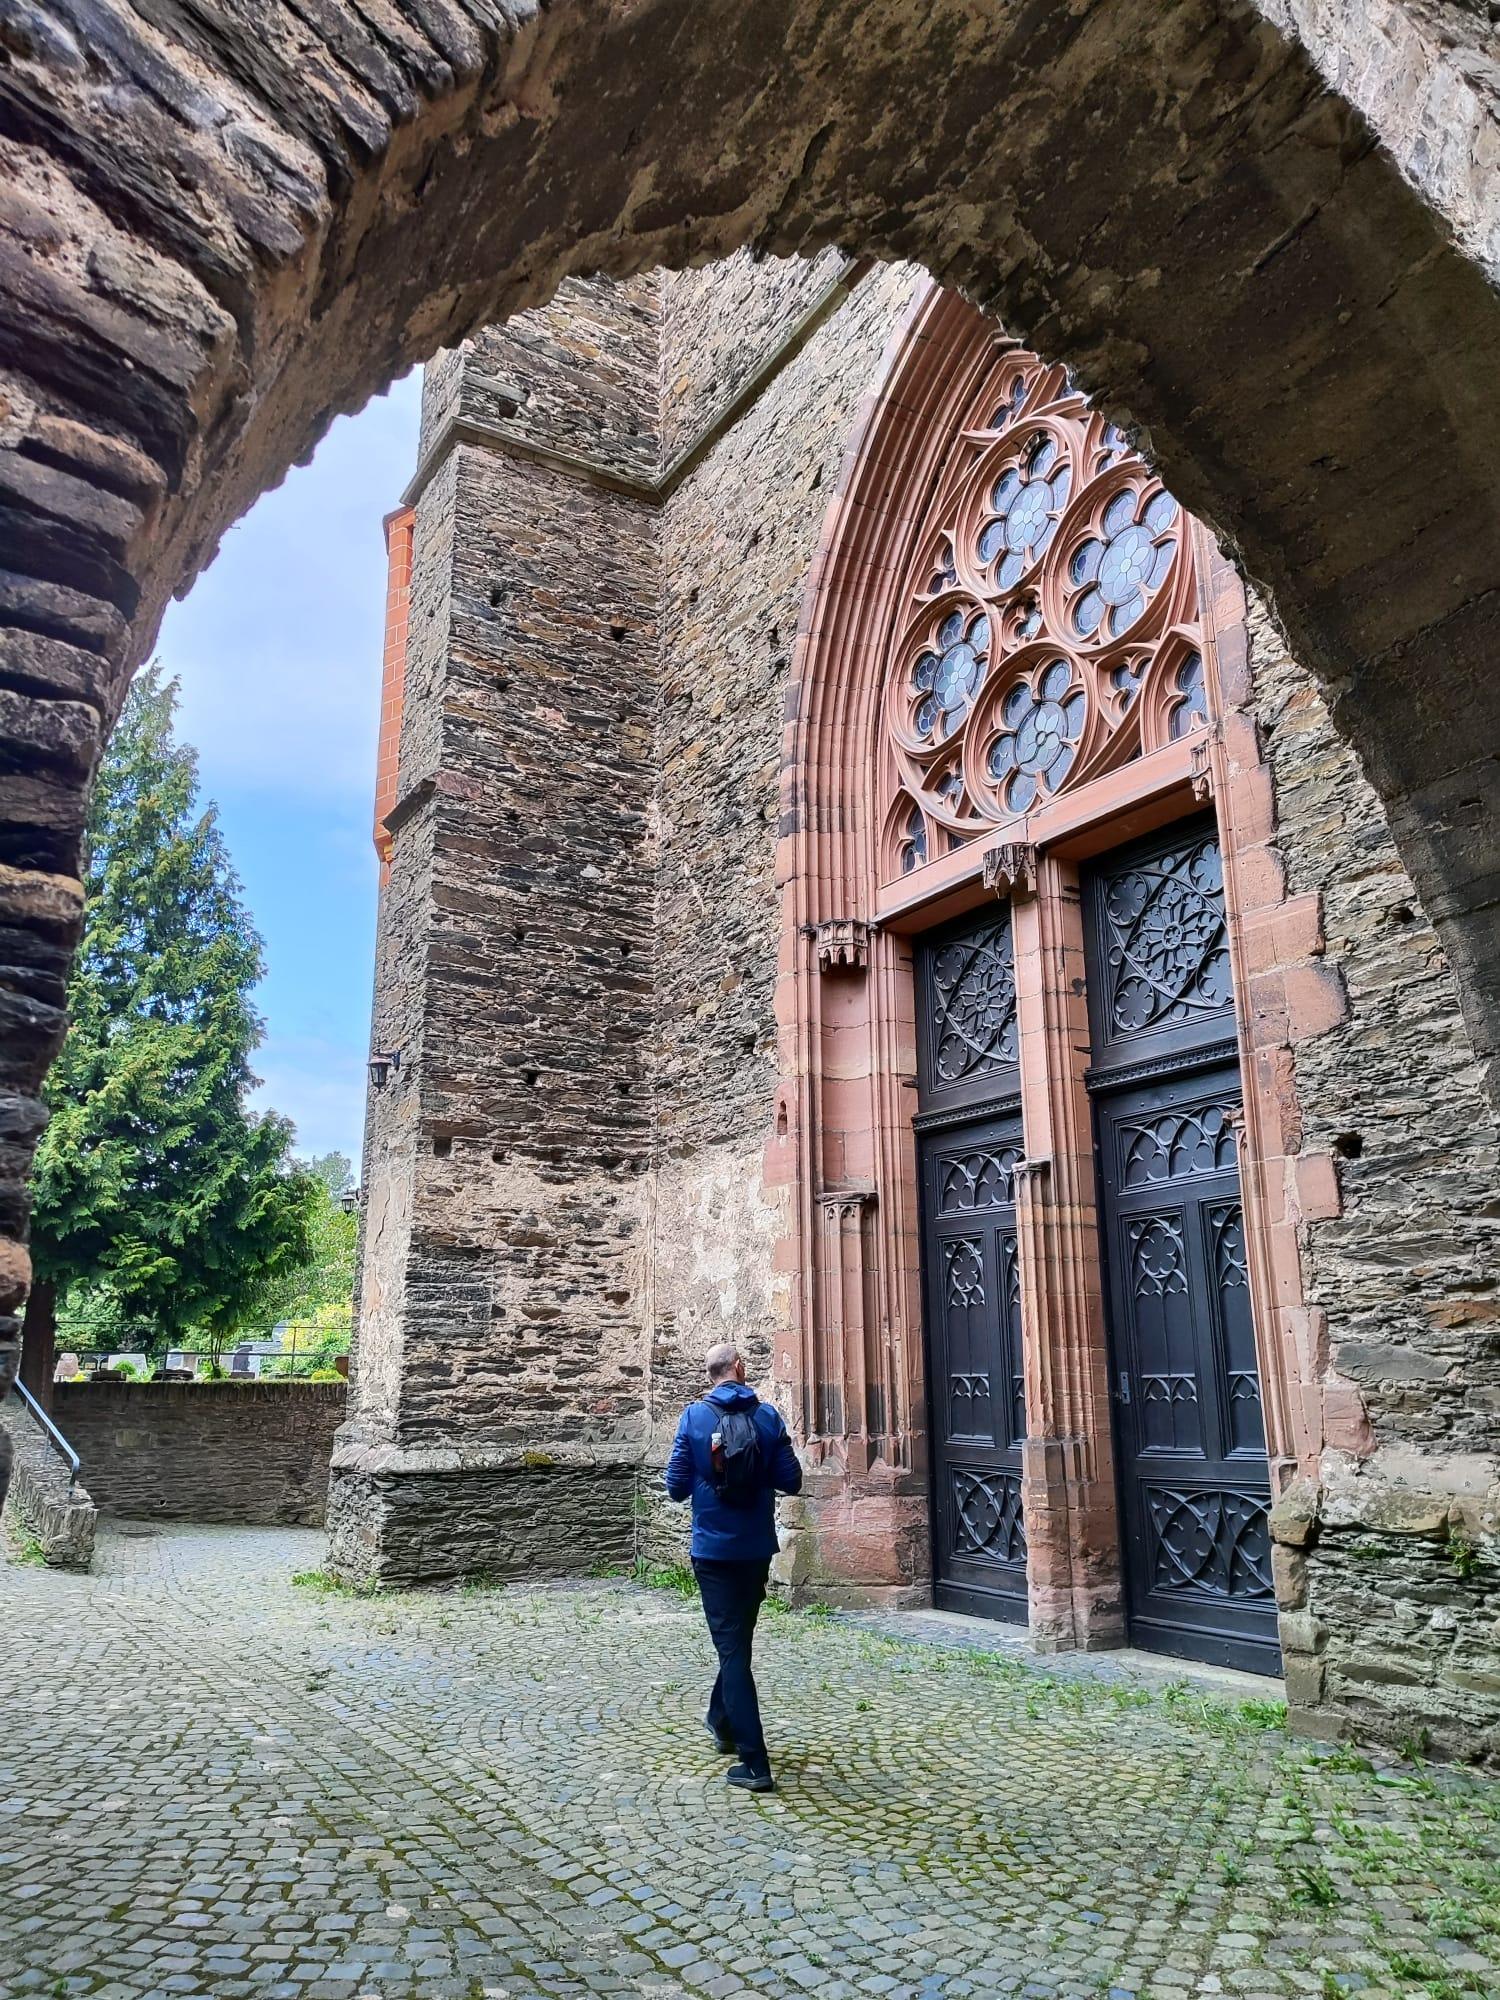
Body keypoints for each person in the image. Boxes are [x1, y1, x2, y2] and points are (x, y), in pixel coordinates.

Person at [664, 1341, 802, 1792]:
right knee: (736, 1643)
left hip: (713, 1552)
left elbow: (675, 1488)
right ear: (739, 1368)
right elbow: (791, 1480)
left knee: (733, 1651)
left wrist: (708, 1473)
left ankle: (754, 1763)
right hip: (756, 1549)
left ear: (710, 1374)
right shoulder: (768, 1417)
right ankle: (720, 1719)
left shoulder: (694, 1418)